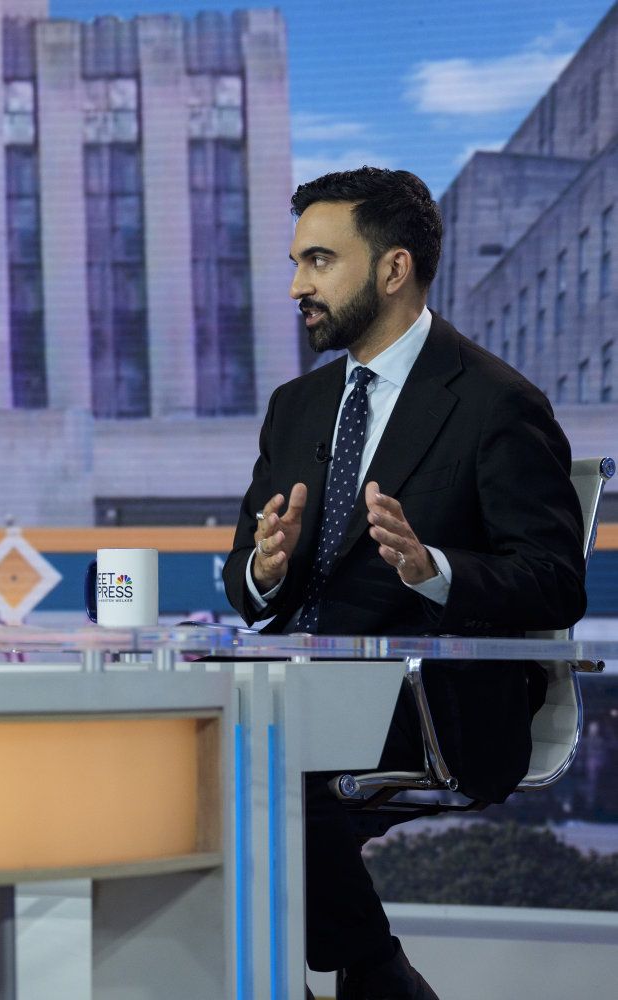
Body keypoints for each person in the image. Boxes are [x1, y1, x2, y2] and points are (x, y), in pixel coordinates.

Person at [221, 168, 586, 999]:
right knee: (196, 757)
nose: (296, 285)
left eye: (319, 261)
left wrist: (434, 570)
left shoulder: (496, 402)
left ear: (393, 269)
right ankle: (368, 973)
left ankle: (376, 974)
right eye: (295, 262)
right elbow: (244, 581)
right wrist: (264, 571)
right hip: (295, 691)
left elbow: (555, 581)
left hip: (436, 703)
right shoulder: (295, 407)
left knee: (256, 769)